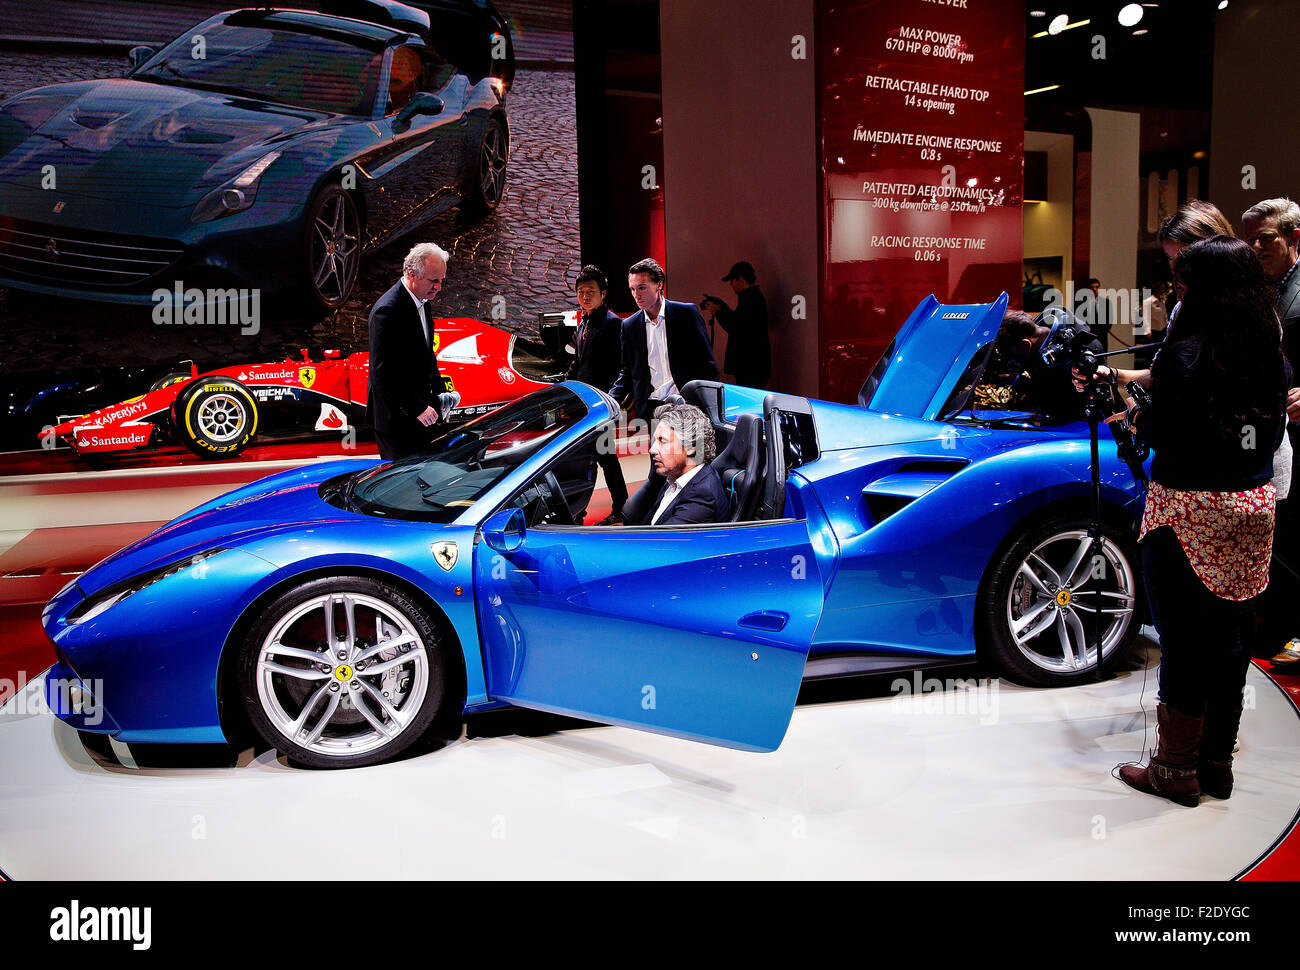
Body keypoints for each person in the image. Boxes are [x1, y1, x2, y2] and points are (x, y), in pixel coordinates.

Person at [1116, 235, 1289, 807]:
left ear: (1206, 292)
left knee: (1184, 638)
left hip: (1187, 511)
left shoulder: (1185, 355)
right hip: (1251, 510)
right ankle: (1217, 765)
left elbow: (1169, 433)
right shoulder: (1270, 352)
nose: (1177, 295)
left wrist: (1136, 417)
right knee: (1232, 637)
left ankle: (1174, 771)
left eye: (1184, 285)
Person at [1242, 198, 1300, 657]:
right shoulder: (1259, 287)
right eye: (1251, 238)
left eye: (1265, 237)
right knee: (1277, 535)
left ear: (1293, 237)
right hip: (1268, 429)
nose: (1256, 246)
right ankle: (1276, 625)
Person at [610, 258, 719, 422]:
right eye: (632, 289)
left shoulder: (686, 314)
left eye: (642, 288)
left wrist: (711, 409)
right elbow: (627, 371)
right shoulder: (629, 325)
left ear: (659, 284)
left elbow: (707, 366)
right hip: (651, 410)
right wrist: (609, 402)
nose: (636, 295)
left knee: (693, 448)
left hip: (688, 406)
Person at [367, 243, 448, 461]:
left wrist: (441, 392)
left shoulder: (422, 300)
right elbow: (382, 374)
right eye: (433, 281)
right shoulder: (387, 311)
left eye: (441, 280)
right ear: (412, 275)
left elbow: (426, 352)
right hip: (396, 421)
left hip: (419, 413)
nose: (438, 287)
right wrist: (417, 408)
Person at [567, 264, 627, 524]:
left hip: (601, 405)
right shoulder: (583, 323)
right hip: (583, 404)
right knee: (599, 456)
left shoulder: (613, 324)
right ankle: (611, 507)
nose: (585, 296)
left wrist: (611, 400)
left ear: (603, 293)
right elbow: (578, 363)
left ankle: (592, 510)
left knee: (599, 457)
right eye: (581, 291)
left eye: (590, 291)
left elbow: (622, 365)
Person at [621, 404, 727, 526]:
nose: (652, 450)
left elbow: (660, 542)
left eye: (663, 441)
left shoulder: (701, 497)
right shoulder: (676, 475)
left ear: (691, 447)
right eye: (655, 441)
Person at [993, 310, 1102, 420]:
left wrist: (1016, 381)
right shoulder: (1038, 342)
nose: (1013, 362)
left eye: (1013, 356)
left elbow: (1056, 406)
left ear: (1026, 344)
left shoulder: (1082, 354)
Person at [700, 260, 771, 389]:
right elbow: (740, 322)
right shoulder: (753, 298)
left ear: (740, 279)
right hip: (753, 364)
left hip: (750, 365)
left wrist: (718, 312)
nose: (731, 284)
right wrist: (722, 307)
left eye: (732, 281)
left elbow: (737, 327)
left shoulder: (750, 299)